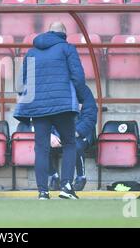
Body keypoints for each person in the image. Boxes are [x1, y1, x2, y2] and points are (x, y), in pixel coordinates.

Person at [14, 21, 86, 200]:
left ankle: (42, 192)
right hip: (63, 107)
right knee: (69, 144)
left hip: (38, 109)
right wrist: (81, 100)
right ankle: (66, 187)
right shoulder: (68, 49)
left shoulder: (31, 52)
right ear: (64, 34)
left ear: (48, 32)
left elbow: (21, 84)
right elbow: (78, 77)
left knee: (41, 148)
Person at [48, 83, 98, 191]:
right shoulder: (54, 89)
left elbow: (90, 117)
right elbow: (47, 116)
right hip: (58, 133)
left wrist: (73, 133)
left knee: (76, 145)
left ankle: (81, 177)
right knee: (40, 145)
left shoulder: (83, 90)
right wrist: (50, 134)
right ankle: (53, 176)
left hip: (80, 133)